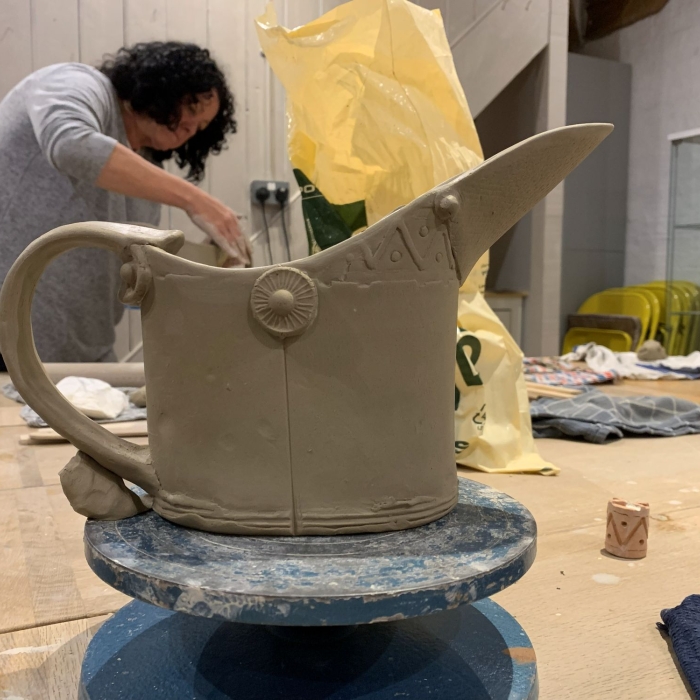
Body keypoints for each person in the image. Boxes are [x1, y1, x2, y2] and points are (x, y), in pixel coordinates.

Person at [0, 41, 250, 366]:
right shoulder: (75, 82)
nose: (191, 129)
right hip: (8, 338)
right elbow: (70, 145)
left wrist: (207, 265)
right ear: (163, 87)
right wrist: (194, 199)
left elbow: (131, 276)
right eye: (190, 110)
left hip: (79, 354)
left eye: (201, 126)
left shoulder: (144, 172)